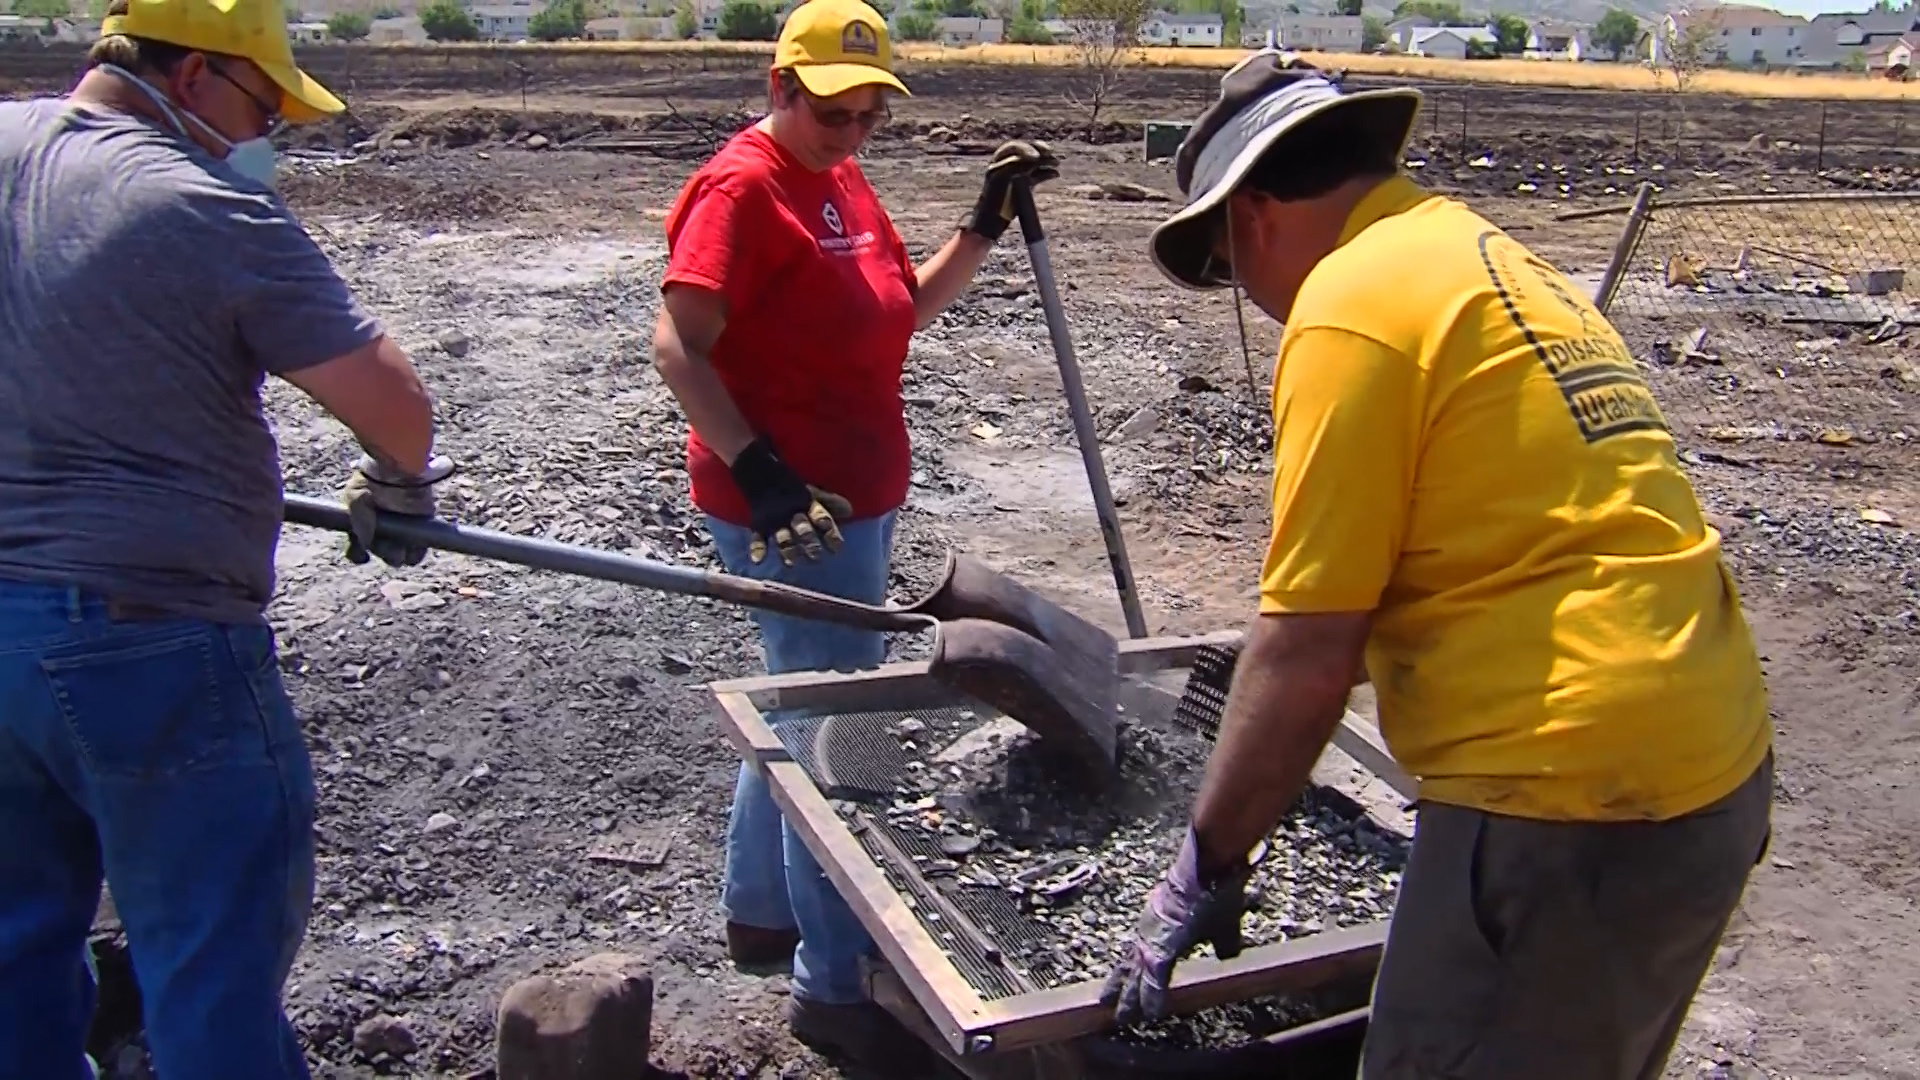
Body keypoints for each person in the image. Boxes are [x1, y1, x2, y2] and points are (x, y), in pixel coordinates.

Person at [1101, 51, 1775, 1080]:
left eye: (1236, 274)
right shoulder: (1490, 260)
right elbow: (1499, 534)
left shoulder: (1348, 305)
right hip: (1708, 764)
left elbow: (1311, 652)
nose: (1260, 301)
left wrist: (1202, 865)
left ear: (1254, 217)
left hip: (1563, 792)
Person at [0, 0, 453, 1076]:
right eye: (262, 107)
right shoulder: (198, 204)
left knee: (15, 945)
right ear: (194, 73)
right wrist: (397, 485)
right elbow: (392, 400)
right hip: (143, 634)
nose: (264, 139)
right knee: (207, 964)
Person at [651, 0, 1058, 1064]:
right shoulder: (742, 188)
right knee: (834, 734)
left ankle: (759, 911)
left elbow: (897, 311)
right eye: (835, 112)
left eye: (871, 115)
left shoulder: (838, 179)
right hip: (792, 513)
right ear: (782, 86)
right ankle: (836, 987)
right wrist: (762, 472)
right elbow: (677, 347)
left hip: (853, 498)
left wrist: (981, 223)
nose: (853, 132)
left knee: (798, 704)